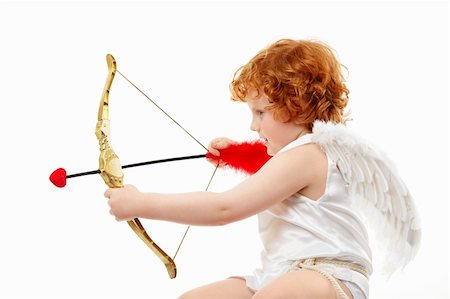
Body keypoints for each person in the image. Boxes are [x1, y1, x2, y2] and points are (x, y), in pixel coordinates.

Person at [104, 39, 420, 299]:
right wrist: (236, 154)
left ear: (296, 107)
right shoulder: (293, 157)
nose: (253, 125)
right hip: (278, 272)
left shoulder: (309, 154)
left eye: (261, 112)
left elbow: (225, 208)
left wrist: (141, 203)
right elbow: (270, 170)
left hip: (326, 275)